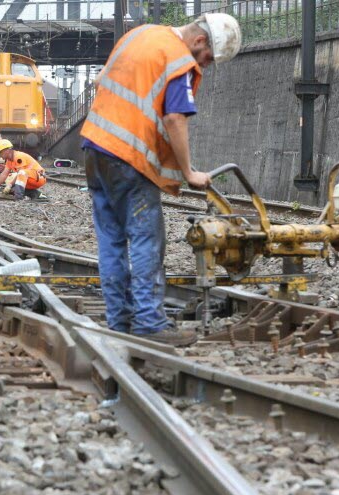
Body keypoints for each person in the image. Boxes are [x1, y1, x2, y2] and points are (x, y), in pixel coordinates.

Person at [79, 13, 241, 346]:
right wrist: (188, 171)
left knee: (111, 242)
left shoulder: (138, 36)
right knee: (146, 240)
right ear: (199, 41)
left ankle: (119, 321)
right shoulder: (178, 59)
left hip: (94, 148)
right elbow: (174, 118)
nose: (206, 66)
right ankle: (150, 324)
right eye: (208, 58)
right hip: (129, 158)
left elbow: (101, 83)